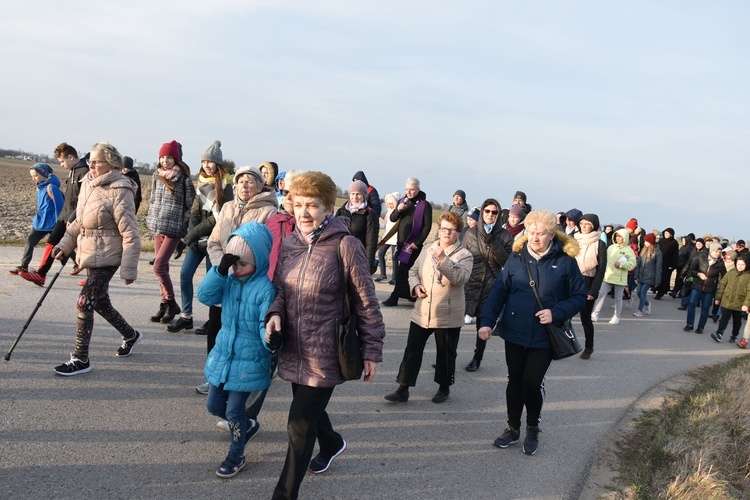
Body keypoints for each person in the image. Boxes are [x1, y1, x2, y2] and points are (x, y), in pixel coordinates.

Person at [264, 171, 385, 499]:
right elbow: (279, 290)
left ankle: (284, 494)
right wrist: (274, 313)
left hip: (326, 352)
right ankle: (332, 443)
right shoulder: (290, 245)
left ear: (328, 208)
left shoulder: (346, 245)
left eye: (312, 205)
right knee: (309, 412)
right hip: (294, 348)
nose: (303, 212)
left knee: (299, 425)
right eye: (298, 204)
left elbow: (366, 300)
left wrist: (372, 350)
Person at [478, 210, 586, 456]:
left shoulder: (566, 262)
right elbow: (498, 293)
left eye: (541, 234)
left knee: (531, 382)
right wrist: (486, 322)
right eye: (532, 232)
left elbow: (579, 297)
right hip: (514, 330)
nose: (535, 238)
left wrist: (556, 312)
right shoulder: (516, 258)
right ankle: (512, 427)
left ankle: (533, 427)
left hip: (544, 336)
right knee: (514, 381)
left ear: (551, 234)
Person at [51, 142, 142, 376]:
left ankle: (81, 358)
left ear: (111, 163)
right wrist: (64, 245)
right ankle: (131, 335)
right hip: (90, 253)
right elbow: (78, 223)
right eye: (90, 160)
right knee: (100, 302)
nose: (91, 164)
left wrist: (129, 270)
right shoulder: (88, 184)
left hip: (110, 256)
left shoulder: (120, 189)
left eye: (96, 161)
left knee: (84, 302)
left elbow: (130, 232)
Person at [199, 222, 275, 479]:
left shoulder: (265, 288)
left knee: (233, 412)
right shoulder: (229, 280)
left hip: (249, 361)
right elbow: (205, 297)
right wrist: (219, 272)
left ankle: (237, 453)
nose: (237, 269)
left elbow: (266, 323)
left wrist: (271, 340)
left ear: (259, 260)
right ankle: (246, 424)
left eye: (243, 264)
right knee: (214, 406)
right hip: (224, 356)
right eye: (234, 264)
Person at [201, 165, 277, 397]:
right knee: (217, 323)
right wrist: (221, 266)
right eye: (241, 181)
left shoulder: (268, 211)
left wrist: (246, 267)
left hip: (250, 277)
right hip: (224, 271)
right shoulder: (227, 207)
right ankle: (214, 376)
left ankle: (249, 375)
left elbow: (267, 247)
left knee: (248, 328)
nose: (244, 185)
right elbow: (214, 242)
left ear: (259, 185)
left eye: (250, 181)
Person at [384, 212, 472, 404]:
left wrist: (443, 260)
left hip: (448, 313)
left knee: (446, 353)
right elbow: (413, 271)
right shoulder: (427, 248)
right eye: (443, 229)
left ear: (458, 233)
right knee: (412, 350)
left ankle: (444, 387)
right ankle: (403, 388)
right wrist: (415, 286)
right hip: (422, 310)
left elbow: (460, 278)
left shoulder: (465, 255)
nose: (446, 233)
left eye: (451, 230)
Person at [167, 140, 233, 334]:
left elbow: (218, 218)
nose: (206, 165)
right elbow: (195, 211)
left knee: (211, 282)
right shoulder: (202, 182)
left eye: (210, 162)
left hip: (214, 240)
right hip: (198, 240)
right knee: (185, 274)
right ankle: (186, 316)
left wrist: (192, 234)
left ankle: (214, 319)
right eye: (204, 162)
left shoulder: (226, 184)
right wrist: (191, 234)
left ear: (218, 164)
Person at [18, 143, 89, 285]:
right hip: (64, 216)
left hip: (77, 217)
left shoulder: (84, 172)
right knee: (52, 243)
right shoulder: (73, 170)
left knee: (85, 246)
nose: (61, 165)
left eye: (62, 161)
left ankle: (92, 278)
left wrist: (73, 217)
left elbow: (84, 200)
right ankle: (41, 274)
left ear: (70, 157)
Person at [146, 140, 196, 324]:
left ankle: (173, 303)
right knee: (163, 268)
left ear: (176, 159)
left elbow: (191, 206)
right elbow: (152, 199)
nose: (165, 161)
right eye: (162, 157)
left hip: (174, 229)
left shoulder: (183, 180)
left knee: (158, 266)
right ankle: (164, 304)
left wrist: (182, 225)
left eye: (169, 157)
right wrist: (150, 217)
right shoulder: (156, 176)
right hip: (157, 226)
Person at [462, 199, 513, 371]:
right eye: (487, 211)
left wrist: (493, 242)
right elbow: (462, 256)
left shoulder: (505, 235)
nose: (490, 215)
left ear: (498, 215)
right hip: (471, 282)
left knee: (482, 325)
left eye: (494, 212)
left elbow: (507, 261)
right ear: (482, 212)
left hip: (491, 285)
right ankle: (448, 356)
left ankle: (477, 358)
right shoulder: (470, 233)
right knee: (453, 323)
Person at [382, 178, 433, 307]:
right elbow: (393, 218)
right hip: (401, 243)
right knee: (406, 270)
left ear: (418, 189)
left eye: (411, 190)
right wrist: (398, 209)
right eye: (407, 189)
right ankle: (411, 294)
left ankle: (395, 297)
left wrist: (418, 241)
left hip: (413, 245)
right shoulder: (402, 201)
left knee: (403, 270)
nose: (408, 192)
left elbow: (427, 226)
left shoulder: (424, 205)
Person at [10, 164, 64, 280]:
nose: (33, 178)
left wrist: (59, 224)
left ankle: (77, 264)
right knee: (30, 240)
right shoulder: (39, 187)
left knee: (60, 246)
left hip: (53, 223)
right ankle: (23, 267)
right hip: (40, 222)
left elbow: (60, 207)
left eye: (35, 176)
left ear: (43, 174)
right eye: (32, 176)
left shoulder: (52, 188)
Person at [574, 213, 607, 359]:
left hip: (589, 282)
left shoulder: (600, 244)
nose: (584, 227)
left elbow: (601, 270)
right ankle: (561, 345)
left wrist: (593, 291)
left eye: (588, 224)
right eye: (582, 224)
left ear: (593, 225)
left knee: (585, 318)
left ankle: (589, 347)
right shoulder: (574, 240)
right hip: (573, 281)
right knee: (563, 316)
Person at [591, 228, 637, 325]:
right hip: (608, 276)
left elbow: (632, 264)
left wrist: (621, 265)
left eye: (620, 236)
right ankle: (595, 313)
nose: (618, 238)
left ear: (625, 238)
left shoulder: (628, 250)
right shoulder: (611, 247)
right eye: (616, 236)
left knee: (618, 298)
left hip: (620, 278)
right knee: (601, 295)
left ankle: (616, 316)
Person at [335, 180, 379, 274]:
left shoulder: (370, 214)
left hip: (358, 258)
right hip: (340, 257)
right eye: (353, 193)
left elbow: (371, 242)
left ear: (364, 195)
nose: (355, 197)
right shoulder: (341, 211)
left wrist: (368, 265)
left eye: (358, 194)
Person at [266, 170, 302, 280]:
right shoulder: (273, 221)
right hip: (270, 284)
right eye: (285, 192)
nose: (288, 197)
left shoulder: (309, 225)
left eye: (294, 193)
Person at [683, 242, 726, 333]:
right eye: (716, 251)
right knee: (692, 304)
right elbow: (692, 270)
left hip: (710, 288)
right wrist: (699, 274)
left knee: (705, 307)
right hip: (697, 284)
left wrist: (719, 284)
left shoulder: (721, 264)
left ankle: (701, 327)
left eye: (720, 252)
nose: (717, 253)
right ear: (711, 250)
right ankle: (689, 324)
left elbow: (724, 276)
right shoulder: (700, 257)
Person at [711, 255, 749, 343]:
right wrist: (718, 298)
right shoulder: (731, 273)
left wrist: (746, 304)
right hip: (727, 300)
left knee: (737, 321)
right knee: (724, 318)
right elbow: (722, 285)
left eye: (742, 264)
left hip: (739, 302)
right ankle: (719, 333)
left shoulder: (748, 276)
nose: (740, 266)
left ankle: (734, 335)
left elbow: (749, 292)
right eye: (738, 264)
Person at [633, 233, 662, 317]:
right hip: (641, 276)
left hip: (650, 277)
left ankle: (639, 310)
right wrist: (636, 275)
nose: (645, 242)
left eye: (646, 241)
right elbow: (638, 263)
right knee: (638, 292)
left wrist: (657, 281)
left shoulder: (658, 253)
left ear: (651, 242)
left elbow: (658, 267)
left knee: (642, 293)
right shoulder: (643, 250)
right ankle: (647, 303)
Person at [375, 192, 399, 284]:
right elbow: (384, 224)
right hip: (386, 238)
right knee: (380, 253)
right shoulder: (388, 212)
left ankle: (394, 278)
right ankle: (383, 275)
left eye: (391, 204)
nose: (389, 205)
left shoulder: (397, 212)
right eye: (388, 204)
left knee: (394, 258)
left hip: (395, 239)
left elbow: (394, 202)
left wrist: (392, 199)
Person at [655, 227, 679, 299]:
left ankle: (660, 293)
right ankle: (656, 288)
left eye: (667, 233)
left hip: (668, 264)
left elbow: (675, 255)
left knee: (664, 279)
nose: (665, 234)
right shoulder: (661, 240)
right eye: (665, 233)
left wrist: (673, 265)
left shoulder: (674, 243)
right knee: (658, 276)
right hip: (659, 262)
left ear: (671, 235)